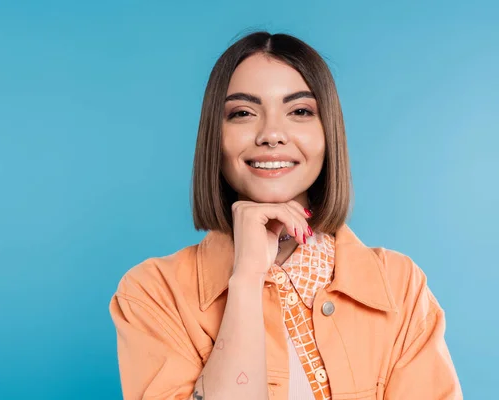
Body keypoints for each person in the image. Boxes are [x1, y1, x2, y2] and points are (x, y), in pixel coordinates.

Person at [109, 31, 462, 400]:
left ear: (328, 134)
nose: (272, 134)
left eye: (300, 111)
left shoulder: (400, 287)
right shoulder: (152, 294)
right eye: (243, 113)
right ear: (216, 136)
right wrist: (245, 281)